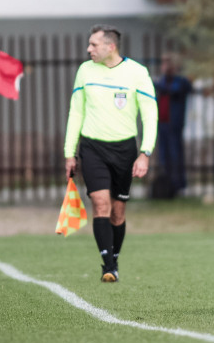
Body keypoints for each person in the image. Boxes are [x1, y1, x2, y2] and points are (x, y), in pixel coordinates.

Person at [64, 25, 158, 282]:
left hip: (125, 149)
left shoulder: (137, 73)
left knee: (118, 211)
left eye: (94, 45)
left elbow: (150, 114)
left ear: (110, 47)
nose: (89, 49)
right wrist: (69, 152)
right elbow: (76, 113)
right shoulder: (85, 70)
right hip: (92, 147)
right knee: (100, 203)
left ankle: (114, 257)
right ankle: (108, 265)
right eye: (89, 44)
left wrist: (145, 152)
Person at [152, 53, 192, 198]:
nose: (165, 66)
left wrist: (158, 83)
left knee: (175, 155)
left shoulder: (180, 82)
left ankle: (178, 185)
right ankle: (167, 186)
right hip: (162, 124)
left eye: (168, 62)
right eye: (163, 62)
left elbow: (176, 89)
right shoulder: (162, 81)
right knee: (164, 156)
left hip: (174, 125)